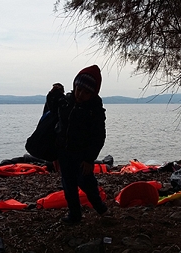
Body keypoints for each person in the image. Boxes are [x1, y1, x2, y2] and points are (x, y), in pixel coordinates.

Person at [46, 65, 108, 224]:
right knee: (68, 186)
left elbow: (98, 137)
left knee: (88, 184)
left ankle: (100, 207)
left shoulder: (95, 110)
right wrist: (53, 93)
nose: (81, 94)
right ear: (75, 86)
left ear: (93, 93)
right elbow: (51, 114)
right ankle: (75, 215)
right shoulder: (65, 102)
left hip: (82, 156)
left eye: (86, 92)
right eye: (79, 89)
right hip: (64, 153)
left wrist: (89, 159)